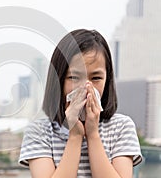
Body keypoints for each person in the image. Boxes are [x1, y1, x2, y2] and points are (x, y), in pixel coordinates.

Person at [18, 29, 142, 178]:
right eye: (74, 77)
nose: (86, 86)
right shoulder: (39, 132)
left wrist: (93, 134)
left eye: (96, 78)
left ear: (107, 80)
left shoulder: (122, 127)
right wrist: (75, 136)